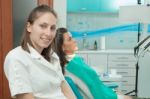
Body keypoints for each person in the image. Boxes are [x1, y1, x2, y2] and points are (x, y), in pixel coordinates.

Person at [4, 5, 76, 99]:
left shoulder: (53, 56)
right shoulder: (16, 57)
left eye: (52, 28)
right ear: (29, 27)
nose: (48, 33)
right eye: (43, 26)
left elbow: (65, 88)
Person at [54, 27, 133, 99]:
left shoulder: (68, 64)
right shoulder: (73, 65)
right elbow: (91, 88)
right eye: (70, 39)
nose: (74, 40)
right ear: (62, 47)